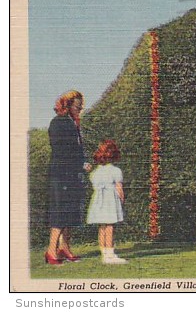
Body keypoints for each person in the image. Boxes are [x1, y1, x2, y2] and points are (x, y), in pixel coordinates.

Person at [45, 90, 91, 265]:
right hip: (61, 174)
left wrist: (82, 163)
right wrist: (79, 164)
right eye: (77, 106)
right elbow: (62, 151)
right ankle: (51, 251)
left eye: (81, 106)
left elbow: (75, 150)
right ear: (67, 105)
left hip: (70, 174)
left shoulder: (72, 123)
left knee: (71, 211)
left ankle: (64, 248)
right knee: (60, 211)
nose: (80, 109)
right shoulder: (59, 123)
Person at [86, 139, 127, 264]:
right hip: (110, 201)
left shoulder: (95, 172)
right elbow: (119, 188)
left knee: (102, 227)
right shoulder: (116, 171)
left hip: (98, 202)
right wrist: (122, 199)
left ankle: (104, 253)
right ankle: (110, 255)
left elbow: (95, 186)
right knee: (110, 227)